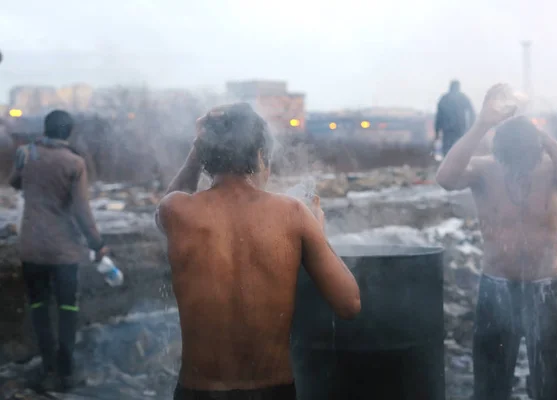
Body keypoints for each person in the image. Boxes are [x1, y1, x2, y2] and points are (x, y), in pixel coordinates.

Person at [156, 103, 361, 400]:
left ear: (204, 155)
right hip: (271, 392)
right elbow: (349, 304)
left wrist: (197, 152)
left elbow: (169, 204)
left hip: (198, 392)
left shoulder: (177, 211)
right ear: (261, 155)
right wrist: (317, 231)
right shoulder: (293, 213)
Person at [436, 84, 557, 400]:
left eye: (526, 159)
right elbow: (446, 177)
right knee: (491, 388)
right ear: (499, 155)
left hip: (547, 288)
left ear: (537, 153)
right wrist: (483, 124)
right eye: (511, 161)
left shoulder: (552, 170)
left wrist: (542, 136)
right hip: (498, 289)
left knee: (555, 389)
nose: (519, 168)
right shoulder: (485, 169)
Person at [9, 110, 108, 392]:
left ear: (46, 128)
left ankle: (47, 366)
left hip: (32, 248)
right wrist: (97, 244)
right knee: (67, 308)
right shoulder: (74, 162)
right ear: (68, 133)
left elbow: (15, 182)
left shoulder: (26, 154)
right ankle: (65, 371)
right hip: (64, 250)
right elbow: (81, 211)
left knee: (39, 307)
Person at [435, 80, 475, 156]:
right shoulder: (462, 98)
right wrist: (471, 127)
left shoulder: (444, 98)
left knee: (448, 150)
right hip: (459, 128)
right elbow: (472, 112)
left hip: (448, 129)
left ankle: (448, 165)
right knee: (459, 149)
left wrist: (437, 131)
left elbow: (438, 117)